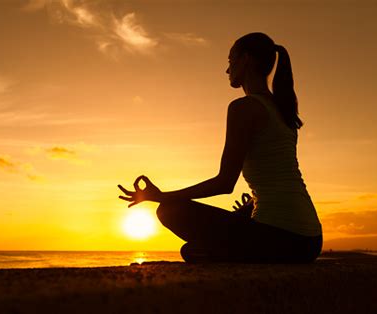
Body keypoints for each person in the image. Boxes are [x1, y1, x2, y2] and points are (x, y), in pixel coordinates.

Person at [118, 32, 323, 263]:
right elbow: (279, 177)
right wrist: (252, 205)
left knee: (169, 210)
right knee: (192, 251)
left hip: (281, 239)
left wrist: (160, 196)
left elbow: (225, 183)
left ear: (246, 60)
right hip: (311, 241)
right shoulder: (282, 110)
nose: (227, 70)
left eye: (230, 61)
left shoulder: (244, 108)